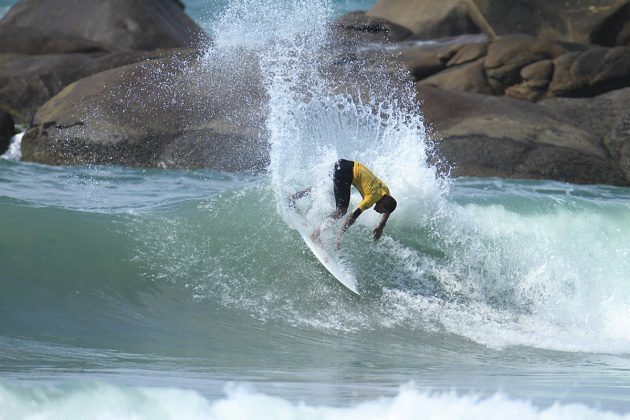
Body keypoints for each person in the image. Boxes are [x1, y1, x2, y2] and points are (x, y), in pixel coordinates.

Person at [290, 159, 397, 247]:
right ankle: (316, 234)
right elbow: (352, 217)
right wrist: (339, 235)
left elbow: (388, 210)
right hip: (345, 174)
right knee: (342, 211)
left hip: (341, 163)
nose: (379, 212)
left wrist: (381, 226)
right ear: (382, 204)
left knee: (325, 189)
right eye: (381, 210)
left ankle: (294, 197)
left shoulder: (385, 191)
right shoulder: (370, 199)